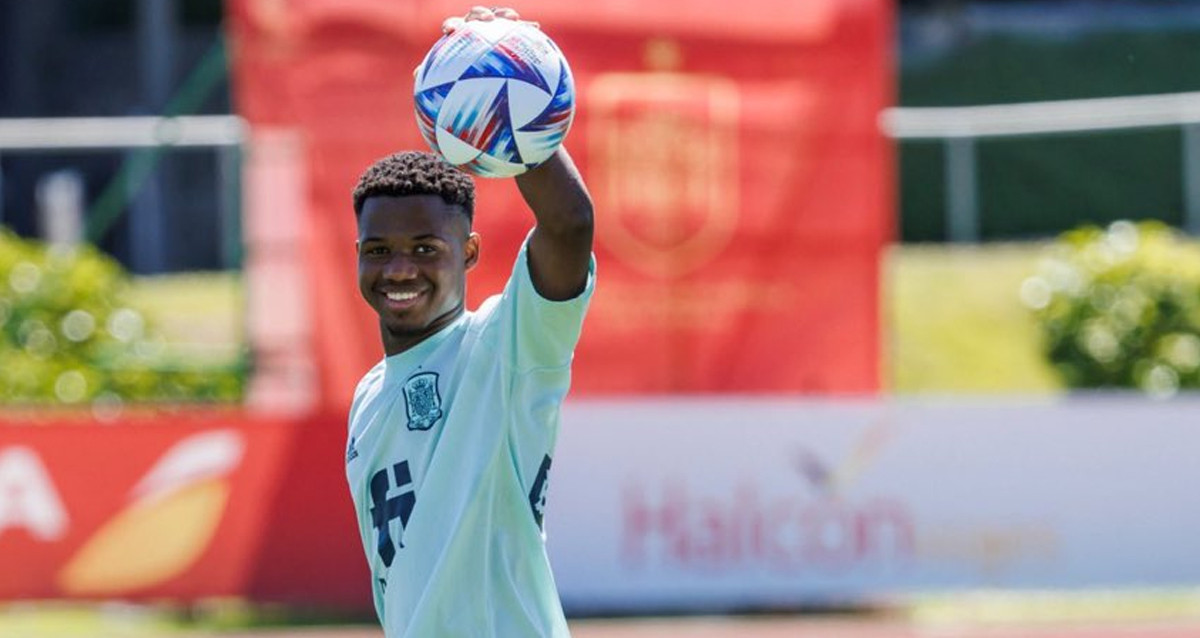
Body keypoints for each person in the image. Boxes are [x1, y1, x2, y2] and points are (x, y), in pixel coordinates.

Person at [343, 8, 594, 637]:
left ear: (470, 254)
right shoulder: (369, 397)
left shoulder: (507, 347)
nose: (400, 269)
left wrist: (508, 96)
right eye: (379, 251)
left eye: (426, 249)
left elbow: (569, 226)